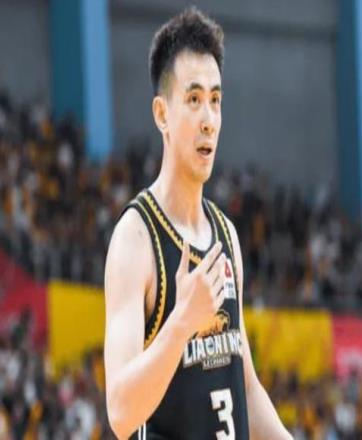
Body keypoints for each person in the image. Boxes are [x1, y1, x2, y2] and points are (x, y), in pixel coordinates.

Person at [104, 7, 293, 440]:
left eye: (215, 100)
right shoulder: (136, 238)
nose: (208, 119)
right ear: (162, 114)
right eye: (193, 100)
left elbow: (246, 389)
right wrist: (181, 323)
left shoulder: (226, 235)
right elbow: (120, 411)